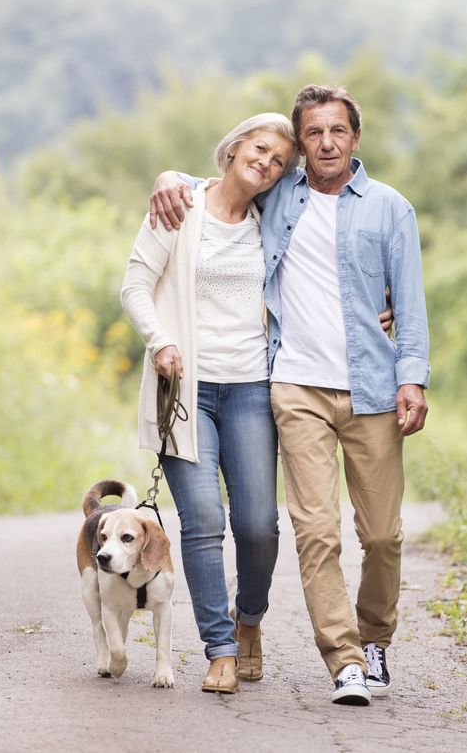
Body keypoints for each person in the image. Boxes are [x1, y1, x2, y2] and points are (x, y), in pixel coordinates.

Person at [150, 84, 430, 706]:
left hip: (374, 391)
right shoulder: (278, 198)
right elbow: (226, 182)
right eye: (313, 134)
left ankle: (375, 637)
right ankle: (345, 660)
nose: (326, 143)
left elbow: (409, 304)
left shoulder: (390, 209)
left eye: (338, 131)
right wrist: (170, 176)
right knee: (315, 531)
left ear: (356, 138)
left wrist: (413, 376)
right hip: (295, 386)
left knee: (381, 535)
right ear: (301, 146)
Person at [120, 112, 298, 694]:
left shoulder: (273, 218)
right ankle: (220, 648)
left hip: (251, 387)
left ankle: (250, 622)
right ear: (233, 148)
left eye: (277, 162)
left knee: (257, 526)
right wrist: (161, 341)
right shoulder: (179, 207)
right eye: (259, 149)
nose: (266, 164)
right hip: (185, 391)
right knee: (201, 522)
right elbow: (134, 285)